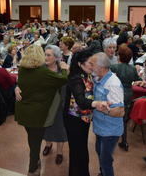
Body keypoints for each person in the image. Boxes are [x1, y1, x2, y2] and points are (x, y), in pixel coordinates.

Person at [15, 45, 68, 176]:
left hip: (24, 113)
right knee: (35, 142)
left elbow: (20, 83)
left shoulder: (22, 69)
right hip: (37, 114)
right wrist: (65, 70)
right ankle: (33, 167)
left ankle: (35, 161)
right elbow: (62, 79)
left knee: (32, 139)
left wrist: (16, 88)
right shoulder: (42, 72)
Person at [64, 47, 108, 176]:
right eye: (90, 63)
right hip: (74, 120)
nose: (92, 65)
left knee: (81, 150)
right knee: (78, 151)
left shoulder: (86, 74)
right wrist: (97, 104)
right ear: (80, 64)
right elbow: (81, 101)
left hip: (83, 119)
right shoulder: (76, 79)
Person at [89, 52, 125, 176]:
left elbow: (120, 111)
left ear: (101, 67)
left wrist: (103, 108)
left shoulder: (113, 83)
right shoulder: (99, 77)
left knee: (105, 160)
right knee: (99, 152)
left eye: (92, 64)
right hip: (101, 127)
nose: (90, 66)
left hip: (110, 131)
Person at [110, 45, 141, 151]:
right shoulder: (132, 68)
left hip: (116, 94)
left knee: (113, 117)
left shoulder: (114, 67)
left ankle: (112, 140)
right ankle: (124, 141)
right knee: (123, 119)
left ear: (119, 56)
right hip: (128, 94)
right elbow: (138, 79)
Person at [41, 45, 68, 165]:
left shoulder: (62, 69)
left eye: (48, 55)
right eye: (45, 54)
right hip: (45, 105)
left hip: (59, 105)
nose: (45, 57)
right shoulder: (41, 69)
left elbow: (66, 87)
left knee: (60, 128)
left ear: (56, 57)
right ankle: (48, 144)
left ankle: (60, 152)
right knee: (46, 127)